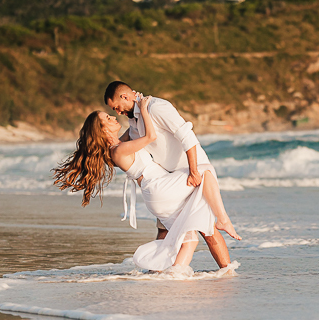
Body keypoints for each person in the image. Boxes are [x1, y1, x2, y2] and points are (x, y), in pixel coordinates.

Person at [52, 97, 234, 272]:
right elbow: (150, 137)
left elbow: (133, 131)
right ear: (102, 129)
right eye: (107, 118)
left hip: (156, 192)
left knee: (190, 240)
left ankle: (174, 275)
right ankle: (223, 219)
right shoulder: (119, 150)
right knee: (204, 171)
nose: (113, 117)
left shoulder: (118, 146)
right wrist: (145, 110)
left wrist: (134, 114)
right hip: (158, 188)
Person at [104, 81, 240, 266]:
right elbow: (119, 147)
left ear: (125, 97)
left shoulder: (157, 108)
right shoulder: (134, 121)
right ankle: (158, 273)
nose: (117, 113)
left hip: (189, 173)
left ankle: (226, 272)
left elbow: (187, 137)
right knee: (166, 232)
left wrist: (193, 171)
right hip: (167, 180)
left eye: (117, 108)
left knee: (206, 229)